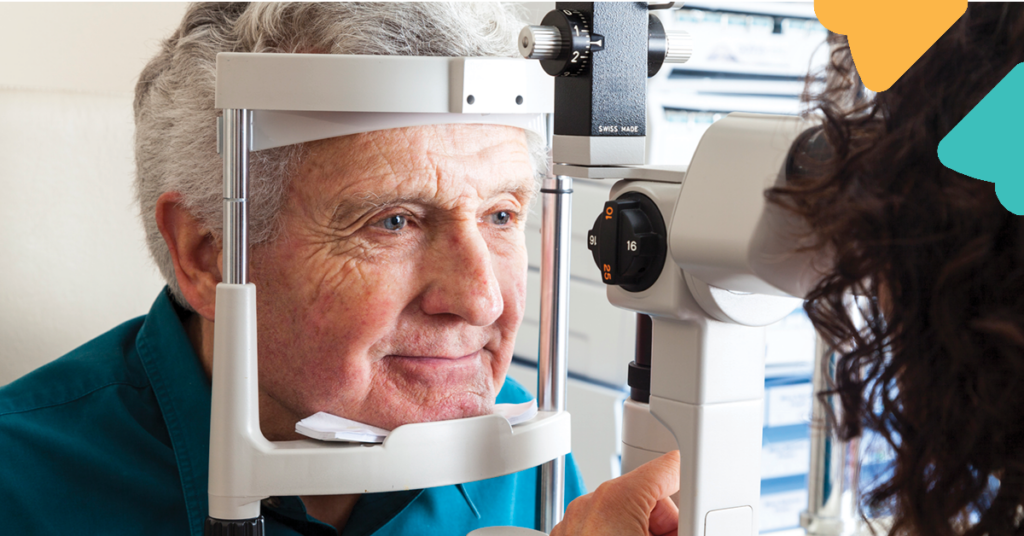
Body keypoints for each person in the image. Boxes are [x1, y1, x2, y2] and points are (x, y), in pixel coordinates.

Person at [1, 2, 599, 535]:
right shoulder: (19, 487)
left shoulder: (523, 456)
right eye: (394, 222)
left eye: (500, 215)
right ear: (205, 256)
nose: (482, 300)